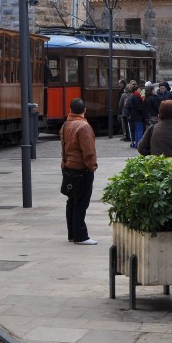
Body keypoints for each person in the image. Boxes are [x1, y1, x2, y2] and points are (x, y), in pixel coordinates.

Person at [60, 97, 98, 245]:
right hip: (81, 168)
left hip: (68, 166)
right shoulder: (83, 127)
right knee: (81, 202)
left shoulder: (65, 125)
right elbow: (88, 151)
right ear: (84, 111)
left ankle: (72, 233)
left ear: (70, 110)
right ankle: (81, 235)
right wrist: (91, 167)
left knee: (72, 201)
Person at [123, 82, 147, 147]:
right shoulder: (137, 97)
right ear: (136, 90)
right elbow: (139, 107)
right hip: (138, 116)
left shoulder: (132, 97)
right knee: (139, 130)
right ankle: (139, 144)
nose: (140, 90)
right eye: (139, 89)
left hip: (134, 116)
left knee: (136, 130)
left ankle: (136, 144)